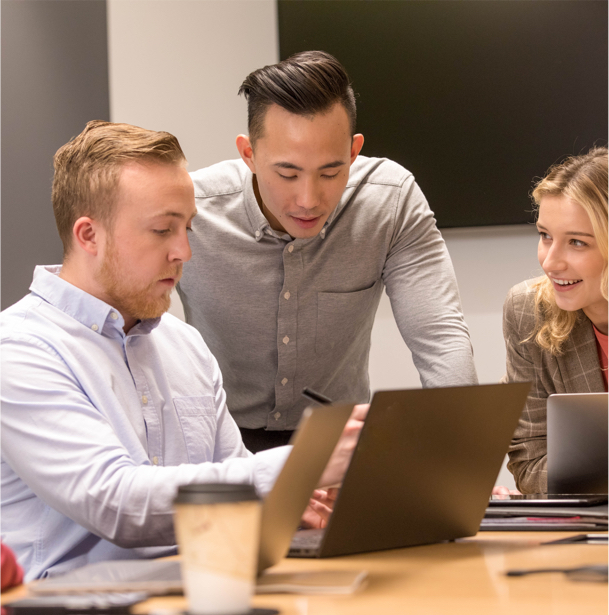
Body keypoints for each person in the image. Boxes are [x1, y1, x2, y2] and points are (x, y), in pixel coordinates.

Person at [0, 121, 365, 581]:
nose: (184, 252)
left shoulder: (184, 344)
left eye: (187, 228)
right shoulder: (19, 350)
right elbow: (117, 501)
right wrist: (300, 463)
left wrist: (297, 496)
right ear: (88, 235)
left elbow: (235, 480)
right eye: (161, 230)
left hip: (200, 588)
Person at [178, 51, 478, 453]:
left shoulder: (389, 201)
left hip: (336, 444)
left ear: (354, 152)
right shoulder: (190, 209)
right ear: (248, 153)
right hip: (219, 445)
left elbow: (439, 337)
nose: (308, 199)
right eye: (287, 173)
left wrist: (464, 456)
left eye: (331, 172)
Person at [502, 147, 608, 494]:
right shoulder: (528, 311)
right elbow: (529, 464)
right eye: (545, 236)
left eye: (577, 242)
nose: (550, 262)